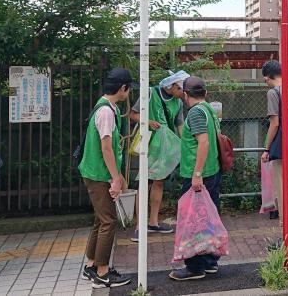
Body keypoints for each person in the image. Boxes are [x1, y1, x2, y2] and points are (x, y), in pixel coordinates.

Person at [77, 68, 133, 289]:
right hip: (99, 173)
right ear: (123, 88)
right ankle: (102, 272)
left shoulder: (103, 107)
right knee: (109, 221)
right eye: (129, 89)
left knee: (100, 220)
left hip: (93, 172)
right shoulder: (107, 112)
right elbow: (106, 147)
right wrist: (116, 178)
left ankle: (91, 266)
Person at [169, 76, 226, 280]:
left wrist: (197, 174)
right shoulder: (209, 109)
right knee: (209, 218)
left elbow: (203, 142)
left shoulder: (194, 113)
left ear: (185, 94)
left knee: (194, 221)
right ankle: (210, 262)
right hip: (213, 170)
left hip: (199, 174)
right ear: (206, 93)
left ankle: (194, 267)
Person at [129, 70, 189, 242]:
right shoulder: (149, 93)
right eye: (181, 91)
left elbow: (180, 126)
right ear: (174, 86)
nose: (183, 95)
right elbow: (133, 114)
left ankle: (153, 222)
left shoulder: (177, 103)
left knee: (159, 182)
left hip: (165, 148)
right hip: (148, 144)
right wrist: (147, 121)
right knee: (144, 183)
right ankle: (140, 226)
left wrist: (184, 145)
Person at [260, 61, 288, 248]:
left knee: (281, 192)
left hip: (284, 149)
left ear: (266, 77)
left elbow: (275, 123)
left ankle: (286, 234)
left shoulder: (273, 93)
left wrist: (266, 148)